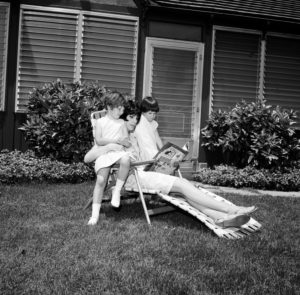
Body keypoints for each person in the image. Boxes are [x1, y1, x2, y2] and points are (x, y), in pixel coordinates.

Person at [84, 101, 257, 228]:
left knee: (183, 192)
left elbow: (147, 152)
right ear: (122, 119)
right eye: (130, 118)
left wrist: (166, 160)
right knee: (182, 185)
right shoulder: (114, 137)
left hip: (146, 171)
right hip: (135, 178)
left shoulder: (133, 135)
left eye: (136, 118)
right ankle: (231, 209)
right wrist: (109, 146)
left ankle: (220, 218)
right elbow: (88, 158)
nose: (134, 122)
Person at [86, 91, 131, 225]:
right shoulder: (100, 122)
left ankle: (117, 190)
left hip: (117, 152)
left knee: (126, 159)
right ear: (110, 107)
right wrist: (115, 141)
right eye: (119, 108)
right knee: (101, 181)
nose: (122, 111)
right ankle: (94, 215)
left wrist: (125, 142)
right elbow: (99, 140)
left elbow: (126, 141)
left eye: (123, 108)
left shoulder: (122, 122)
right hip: (104, 153)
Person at [134, 96, 163, 161]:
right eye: (150, 113)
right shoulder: (139, 121)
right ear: (143, 112)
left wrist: (162, 150)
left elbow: (157, 138)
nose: (152, 116)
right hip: (143, 151)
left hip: (153, 149)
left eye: (154, 113)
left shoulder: (153, 123)